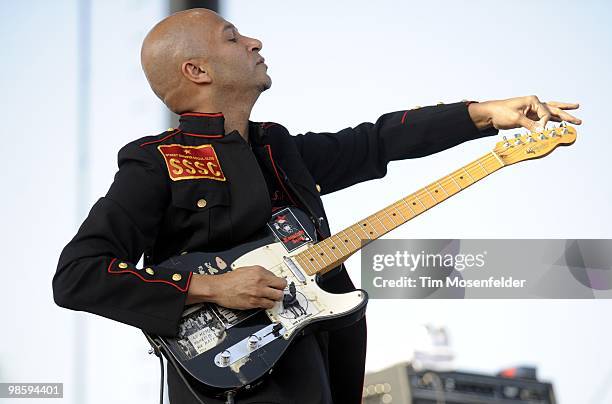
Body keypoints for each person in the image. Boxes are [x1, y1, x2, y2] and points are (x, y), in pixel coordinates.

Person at [52, 8, 581, 404]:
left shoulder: (281, 149)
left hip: (322, 365)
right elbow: (79, 274)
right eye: (233, 38)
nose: (255, 41)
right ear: (197, 71)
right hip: (233, 378)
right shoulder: (158, 161)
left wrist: (484, 115)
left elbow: (376, 142)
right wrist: (209, 287)